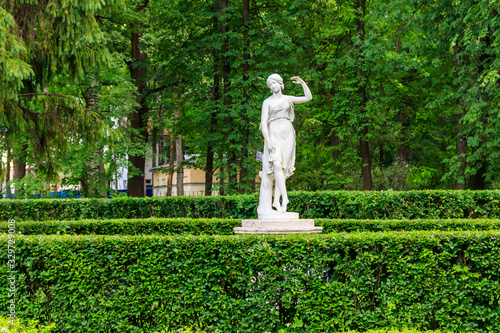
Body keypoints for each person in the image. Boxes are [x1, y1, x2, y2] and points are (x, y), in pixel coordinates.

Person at [258, 73, 312, 215]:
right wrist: (268, 140)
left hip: (288, 133)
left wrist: (302, 83)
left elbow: (308, 98)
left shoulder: (288, 99)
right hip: (274, 132)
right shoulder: (267, 102)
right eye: (270, 85)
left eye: (275, 83)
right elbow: (263, 123)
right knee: (276, 163)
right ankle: (285, 198)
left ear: (280, 83)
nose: (273, 86)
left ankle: (276, 201)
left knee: (282, 169)